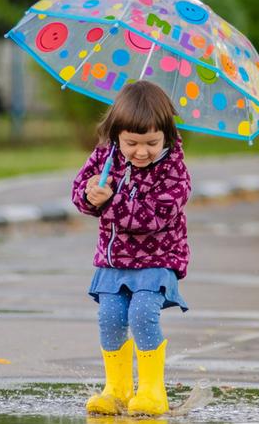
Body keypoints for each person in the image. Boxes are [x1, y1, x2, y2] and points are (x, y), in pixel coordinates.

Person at [71, 81, 191, 416]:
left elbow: (153, 218)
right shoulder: (105, 157)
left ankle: (152, 391)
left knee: (141, 314)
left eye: (152, 143)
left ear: (167, 135)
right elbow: (80, 192)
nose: (141, 152)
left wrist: (111, 202)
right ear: (116, 135)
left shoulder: (174, 170)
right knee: (110, 317)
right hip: (114, 261)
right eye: (131, 143)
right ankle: (118, 390)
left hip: (157, 259)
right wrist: (90, 194)